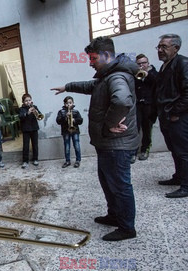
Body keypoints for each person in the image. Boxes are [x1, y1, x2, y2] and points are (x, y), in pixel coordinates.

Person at [51, 36, 139, 241]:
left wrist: (109, 123)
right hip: (107, 143)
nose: (90, 63)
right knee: (108, 182)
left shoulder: (117, 77)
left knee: (120, 185)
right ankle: (114, 215)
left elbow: (122, 101)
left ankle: (127, 228)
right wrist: (68, 86)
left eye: (93, 59)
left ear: (107, 55)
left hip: (117, 144)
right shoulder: (105, 76)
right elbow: (91, 86)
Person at [153, 34, 188, 198]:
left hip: (178, 117)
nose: (160, 50)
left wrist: (175, 112)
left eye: (164, 47)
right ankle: (179, 177)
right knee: (174, 150)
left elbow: (187, 92)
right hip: (166, 117)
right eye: (159, 47)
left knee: (183, 151)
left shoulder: (183, 63)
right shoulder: (165, 66)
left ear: (176, 48)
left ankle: (186, 186)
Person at [133, 54, 158, 162]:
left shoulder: (154, 73)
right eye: (139, 64)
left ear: (148, 63)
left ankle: (145, 150)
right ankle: (133, 152)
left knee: (147, 129)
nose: (141, 65)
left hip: (149, 106)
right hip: (138, 105)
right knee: (135, 129)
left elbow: (158, 83)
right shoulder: (135, 75)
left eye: (143, 63)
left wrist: (147, 75)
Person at [56, 96, 83, 168]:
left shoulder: (76, 111)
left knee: (77, 146)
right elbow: (58, 121)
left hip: (75, 131)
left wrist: (74, 120)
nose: (68, 104)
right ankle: (67, 161)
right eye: (67, 103)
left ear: (73, 103)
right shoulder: (61, 112)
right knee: (67, 147)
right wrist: (65, 117)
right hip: (66, 131)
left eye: (70, 103)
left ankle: (78, 160)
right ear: (64, 104)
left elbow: (80, 121)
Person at [18, 93, 42, 169]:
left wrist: (37, 113)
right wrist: (27, 112)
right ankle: (25, 161)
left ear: (31, 100)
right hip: (26, 129)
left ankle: (35, 159)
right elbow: (21, 117)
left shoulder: (35, 107)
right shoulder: (21, 109)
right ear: (23, 102)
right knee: (26, 146)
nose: (28, 102)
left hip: (34, 128)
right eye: (26, 101)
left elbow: (39, 116)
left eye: (29, 100)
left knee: (35, 145)